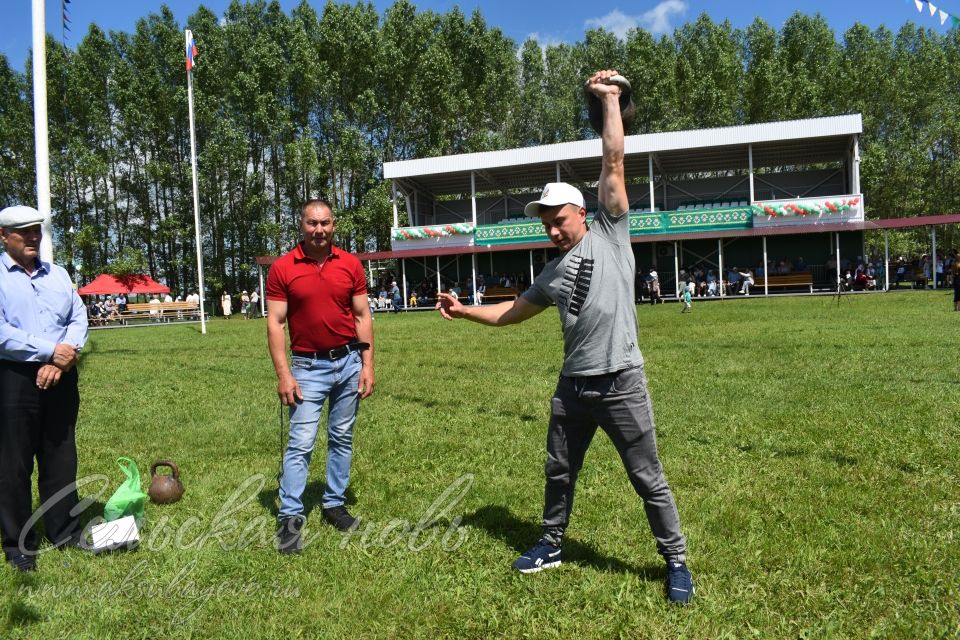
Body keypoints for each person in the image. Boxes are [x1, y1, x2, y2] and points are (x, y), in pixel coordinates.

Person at [435, 70, 694, 604]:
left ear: (583, 211)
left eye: (559, 219)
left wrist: (610, 100)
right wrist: (462, 311)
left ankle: (676, 562)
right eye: (546, 223)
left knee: (648, 479)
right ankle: (551, 543)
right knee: (558, 470)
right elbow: (512, 312)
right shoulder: (551, 273)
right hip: (573, 387)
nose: (552, 229)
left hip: (622, 381)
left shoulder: (611, 230)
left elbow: (614, 162)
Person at [266, 199, 375, 554]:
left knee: (341, 437)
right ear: (301, 224)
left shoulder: (351, 265)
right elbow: (276, 323)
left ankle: (334, 504)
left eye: (325, 223)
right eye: (312, 223)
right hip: (307, 368)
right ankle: (290, 517)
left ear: (334, 225)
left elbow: (362, 317)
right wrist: (284, 375)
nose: (319, 230)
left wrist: (368, 364)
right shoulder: (283, 268)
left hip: (348, 363)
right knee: (301, 442)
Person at [0, 206, 89, 572]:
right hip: (13, 378)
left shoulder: (58, 274)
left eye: (37, 230)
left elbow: (78, 316)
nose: (34, 237)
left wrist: (62, 360)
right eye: (24, 232)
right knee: (13, 463)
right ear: (4, 236)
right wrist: (49, 350)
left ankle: (64, 530)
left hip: (62, 375)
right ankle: (18, 543)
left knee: (60, 457)